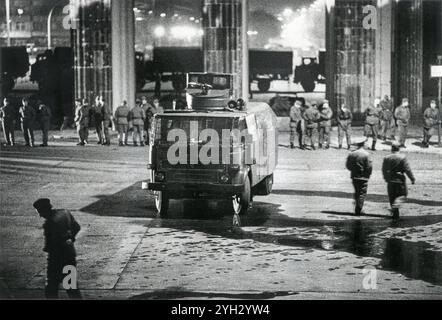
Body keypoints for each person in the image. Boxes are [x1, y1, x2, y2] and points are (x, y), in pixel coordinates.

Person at [33, 198, 82, 299]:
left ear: (45, 210)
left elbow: (50, 247)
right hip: (70, 256)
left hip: (56, 261)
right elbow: (77, 227)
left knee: (51, 289)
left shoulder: (49, 224)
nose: (40, 215)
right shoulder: (65, 213)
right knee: (72, 287)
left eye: (40, 212)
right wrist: (70, 239)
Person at [382, 142, 416, 219]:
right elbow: (407, 169)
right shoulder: (402, 157)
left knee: (392, 196)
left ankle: (395, 214)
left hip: (390, 179)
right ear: (399, 149)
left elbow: (384, 170)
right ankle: (395, 206)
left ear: (391, 149)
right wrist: (412, 178)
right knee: (403, 194)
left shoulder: (387, 157)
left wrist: (386, 178)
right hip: (400, 179)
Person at [346, 140, 373, 216]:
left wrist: (354, 170)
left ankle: (357, 207)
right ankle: (358, 209)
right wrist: (367, 175)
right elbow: (369, 167)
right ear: (363, 144)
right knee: (362, 193)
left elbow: (348, 165)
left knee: (357, 192)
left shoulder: (352, 154)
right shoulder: (367, 154)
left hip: (354, 176)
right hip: (363, 177)